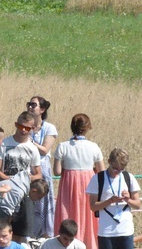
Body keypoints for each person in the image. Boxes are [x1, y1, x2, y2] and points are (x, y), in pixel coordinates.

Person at [53, 114, 104, 249]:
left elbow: (57, 171)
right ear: (87, 128)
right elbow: (101, 171)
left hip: (68, 186)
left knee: (68, 212)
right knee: (88, 217)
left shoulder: (62, 146)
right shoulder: (93, 147)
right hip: (89, 184)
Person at [86, 148, 141, 249]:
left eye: (121, 169)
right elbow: (93, 207)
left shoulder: (129, 177)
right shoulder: (97, 179)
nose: (118, 172)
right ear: (109, 162)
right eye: (115, 168)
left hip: (126, 230)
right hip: (106, 232)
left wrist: (128, 199)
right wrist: (110, 200)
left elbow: (137, 205)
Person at [27, 96, 58, 238]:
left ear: (42, 109)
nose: (30, 107)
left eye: (34, 105)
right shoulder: (25, 125)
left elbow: (45, 149)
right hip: (28, 170)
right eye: (29, 104)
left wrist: (29, 141)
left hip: (43, 170)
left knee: (43, 204)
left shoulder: (49, 128)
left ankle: (44, 235)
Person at [0, 170, 49, 243]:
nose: (38, 200)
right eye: (39, 197)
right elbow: (5, 211)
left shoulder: (22, 188)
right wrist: (5, 229)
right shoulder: (18, 192)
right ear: (34, 191)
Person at [0, 112, 42, 182]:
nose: (23, 130)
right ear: (16, 125)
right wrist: (10, 180)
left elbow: (38, 174)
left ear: (33, 128)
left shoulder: (33, 148)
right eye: (21, 126)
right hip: (5, 187)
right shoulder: (3, 144)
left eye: (27, 128)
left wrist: (26, 179)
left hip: (24, 189)